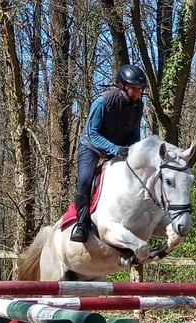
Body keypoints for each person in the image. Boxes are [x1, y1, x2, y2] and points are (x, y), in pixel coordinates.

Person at [70, 64, 147, 243]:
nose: (138, 92)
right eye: (134, 88)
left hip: (118, 147)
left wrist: (135, 151)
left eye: (140, 89)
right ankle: (81, 223)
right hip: (91, 147)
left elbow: (134, 134)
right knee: (85, 180)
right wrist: (115, 149)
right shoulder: (103, 101)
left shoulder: (138, 106)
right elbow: (93, 133)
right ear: (122, 86)